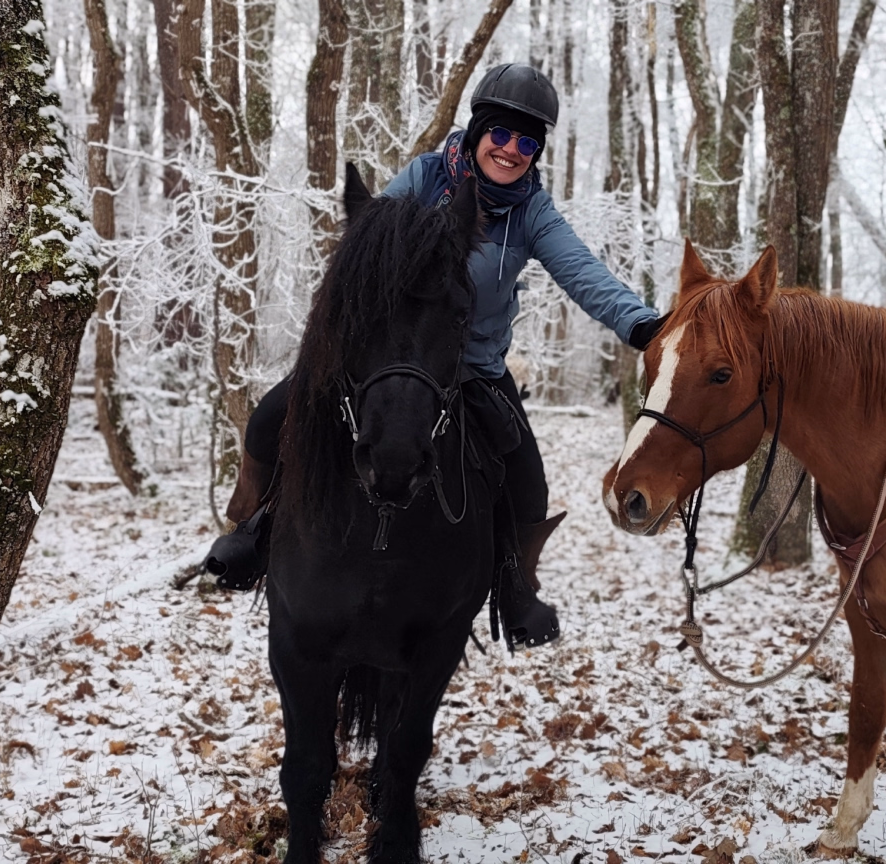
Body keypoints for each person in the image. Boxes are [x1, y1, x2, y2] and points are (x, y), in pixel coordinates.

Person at [224, 63, 663, 650]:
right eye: (501, 134)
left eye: (527, 142)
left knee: (527, 479)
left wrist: (643, 326)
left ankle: (513, 584)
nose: (510, 151)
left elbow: (584, 273)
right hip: (387, 356)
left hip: (471, 368)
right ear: (480, 129)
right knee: (272, 414)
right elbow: (369, 240)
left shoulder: (531, 213)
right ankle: (251, 527)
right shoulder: (427, 176)